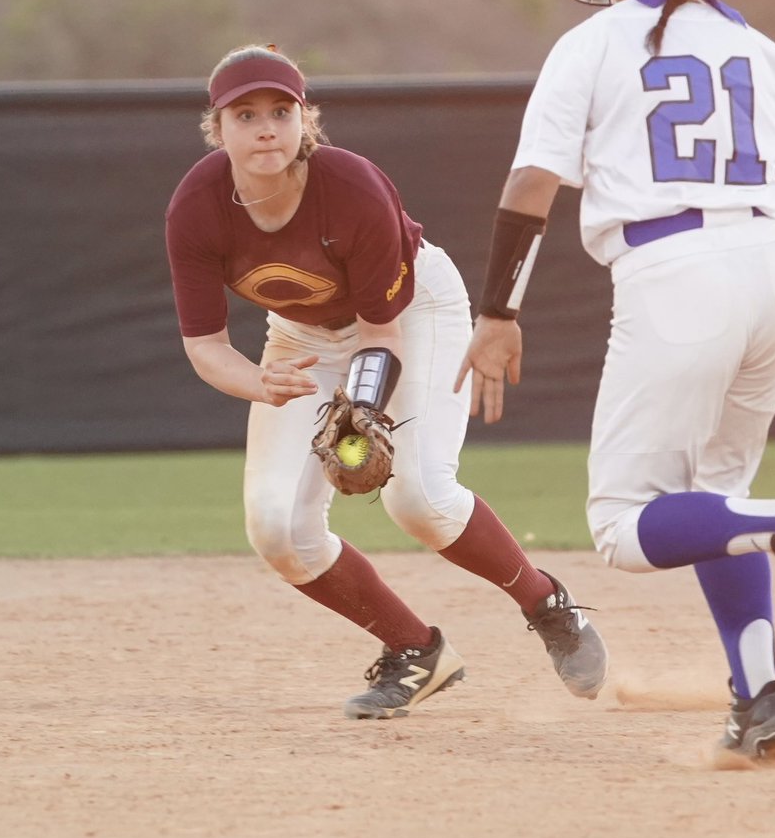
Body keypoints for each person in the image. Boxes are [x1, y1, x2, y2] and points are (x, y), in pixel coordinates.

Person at [456, 0, 775, 761]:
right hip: (773, 260)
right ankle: (761, 699)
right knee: (712, 499)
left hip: (674, 271)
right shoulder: (756, 47)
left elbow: (530, 186)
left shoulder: (591, 45)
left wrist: (497, 313)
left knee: (623, 527)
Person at [164, 43, 608, 720]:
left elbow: (380, 333)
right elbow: (205, 347)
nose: (265, 128)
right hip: (302, 336)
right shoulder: (196, 208)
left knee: (419, 499)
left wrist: (361, 411)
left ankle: (546, 604)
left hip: (412, 313)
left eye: (281, 112)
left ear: (305, 120)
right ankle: (415, 650)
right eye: (244, 114)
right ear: (216, 127)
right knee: (277, 529)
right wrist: (259, 383)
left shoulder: (350, 188)